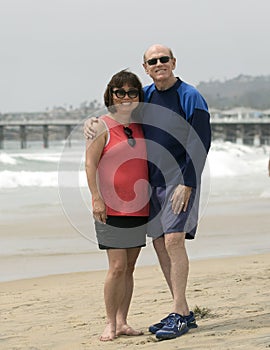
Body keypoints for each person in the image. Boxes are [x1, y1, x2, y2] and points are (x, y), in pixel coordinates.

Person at [84, 44, 211, 340]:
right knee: (160, 244)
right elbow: (118, 113)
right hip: (150, 186)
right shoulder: (145, 95)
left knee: (174, 240)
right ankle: (184, 311)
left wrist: (189, 182)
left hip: (180, 181)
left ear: (173, 62)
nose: (159, 64)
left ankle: (179, 313)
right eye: (152, 61)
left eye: (163, 59)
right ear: (146, 67)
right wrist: (91, 122)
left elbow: (201, 143)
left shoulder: (190, 96)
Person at [85, 70, 149, 341]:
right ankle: (110, 323)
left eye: (132, 92)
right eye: (119, 92)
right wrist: (96, 197)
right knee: (117, 267)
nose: (125, 97)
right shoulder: (100, 125)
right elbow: (90, 163)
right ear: (111, 94)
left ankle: (123, 321)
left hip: (139, 206)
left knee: (131, 267)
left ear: (138, 96)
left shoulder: (143, 125)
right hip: (110, 207)